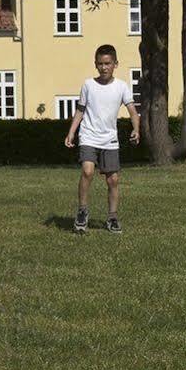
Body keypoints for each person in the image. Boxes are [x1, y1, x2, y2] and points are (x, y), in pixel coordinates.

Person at [62, 44, 140, 234]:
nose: (104, 67)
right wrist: (71, 132)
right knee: (87, 171)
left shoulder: (121, 86)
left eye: (108, 63)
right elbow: (80, 111)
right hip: (88, 135)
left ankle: (112, 218)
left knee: (113, 180)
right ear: (95, 65)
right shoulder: (88, 85)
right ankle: (82, 212)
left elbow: (132, 111)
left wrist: (136, 129)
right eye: (100, 64)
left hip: (109, 139)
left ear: (115, 64)